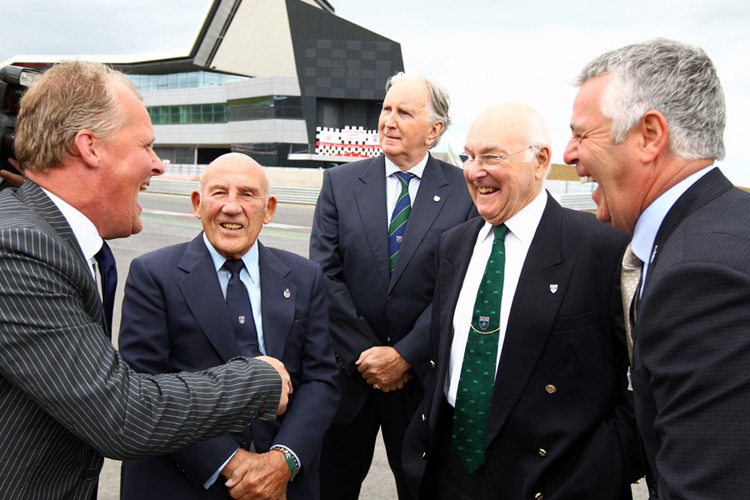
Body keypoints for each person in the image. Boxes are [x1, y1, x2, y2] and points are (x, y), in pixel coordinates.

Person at [0, 60, 291, 499]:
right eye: (146, 145)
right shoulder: (21, 246)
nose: (157, 166)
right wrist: (258, 380)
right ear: (89, 147)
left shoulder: (47, 234)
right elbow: (120, 413)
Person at [403, 103, 642, 500]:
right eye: (469, 156)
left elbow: (650, 379)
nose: (474, 170)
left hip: (554, 481)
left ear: (540, 161)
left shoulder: (602, 248)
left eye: (492, 156)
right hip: (449, 471)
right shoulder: (454, 245)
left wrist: (607, 462)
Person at [564, 38, 750, 498]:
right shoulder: (726, 225)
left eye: (582, 134)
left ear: (650, 135)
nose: (569, 154)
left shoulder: (698, 275)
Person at [118, 153, 339, 500]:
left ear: (269, 210)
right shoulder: (152, 275)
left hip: (282, 483)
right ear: (197, 203)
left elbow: (320, 379)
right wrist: (234, 464)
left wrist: (283, 462)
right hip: (183, 480)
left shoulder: (305, 277)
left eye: (248, 194)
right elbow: (146, 386)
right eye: (219, 193)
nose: (232, 207)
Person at [309, 71, 476, 499]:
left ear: (435, 130)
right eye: (386, 109)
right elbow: (324, 274)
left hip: (420, 379)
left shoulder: (464, 192)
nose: (389, 120)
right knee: (331, 487)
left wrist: (403, 355)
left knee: (424, 490)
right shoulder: (340, 183)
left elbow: (459, 285)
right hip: (350, 374)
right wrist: (368, 355)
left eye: (404, 112)